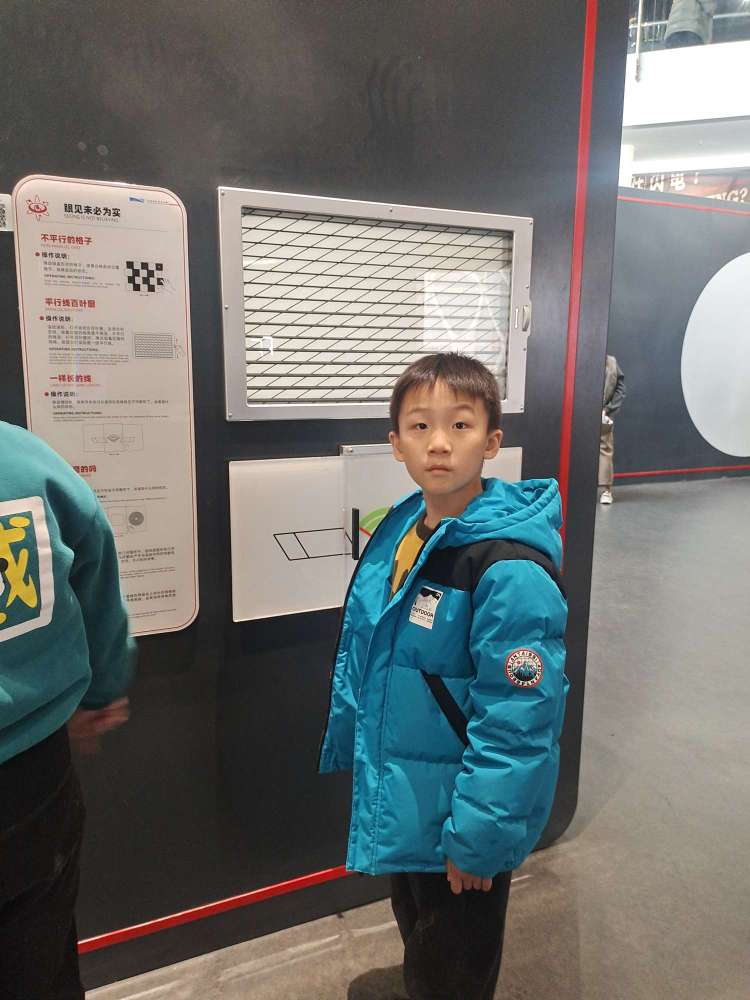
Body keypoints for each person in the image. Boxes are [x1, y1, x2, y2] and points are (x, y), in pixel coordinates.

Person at [320, 353, 568, 1000]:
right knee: (421, 932)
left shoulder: (508, 568)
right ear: (395, 443)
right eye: (419, 425)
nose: (438, 443)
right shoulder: (408, 530)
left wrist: (480, 837)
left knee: (455, 966)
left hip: (464, 811)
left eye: (460, 425)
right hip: (412, 791)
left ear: (491, 441)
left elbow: (519, 722)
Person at [0, 419, 135, 999]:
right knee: (41, 961)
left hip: (33, 769)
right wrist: (101, 690)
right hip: (31, 776)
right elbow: (96, 570)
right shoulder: (22, 458)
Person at [599, 354, 626, 505]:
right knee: (604, 450)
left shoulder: (611, 362)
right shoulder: (611, 361)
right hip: (599, 412)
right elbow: (620, 389)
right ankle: (605, 491)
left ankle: (605, 490)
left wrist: (608, 410)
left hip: (600, 413)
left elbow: (620, 389)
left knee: (604, 449)